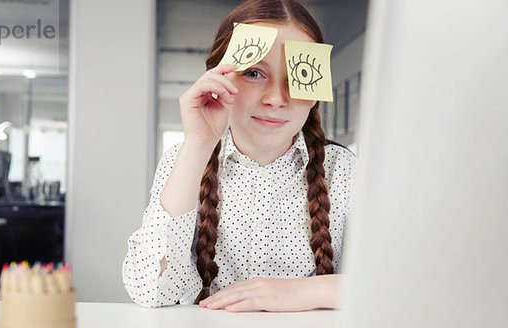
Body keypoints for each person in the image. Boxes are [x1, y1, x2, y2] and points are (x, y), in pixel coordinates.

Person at [122, 0, 356, 312]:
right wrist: (197, 146)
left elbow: (394, 284)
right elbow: (151, 290)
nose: (275, 98)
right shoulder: (185, 159)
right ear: (219, 78)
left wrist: (300, 292)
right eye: (254, 73)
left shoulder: (345, 171)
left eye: (298, 74)